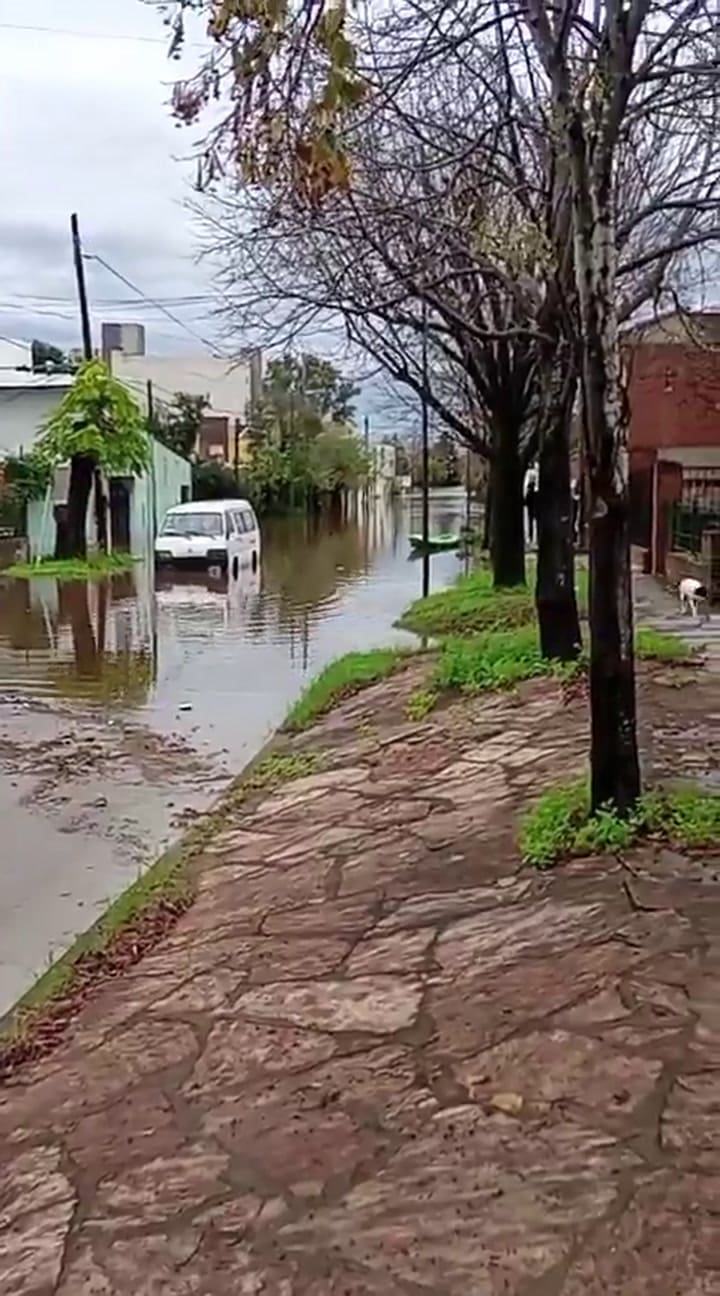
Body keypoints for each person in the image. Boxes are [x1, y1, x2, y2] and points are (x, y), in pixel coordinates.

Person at [524, 466, 538, 545]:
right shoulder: (533, 489)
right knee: (533, 521)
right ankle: (532, 537)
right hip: (533, 502)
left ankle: (531, 537)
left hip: (532, 502)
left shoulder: (530, 489)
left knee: (531, 521)